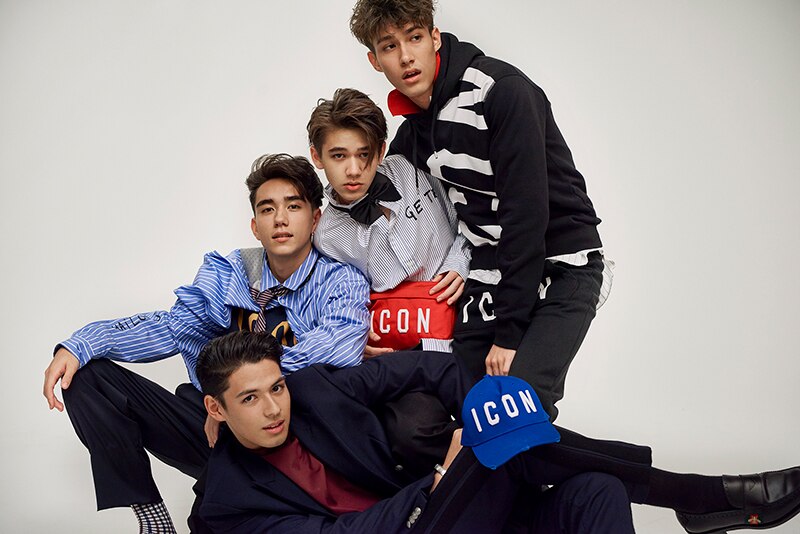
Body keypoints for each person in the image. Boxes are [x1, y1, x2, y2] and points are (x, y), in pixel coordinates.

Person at [42, 154, 370, 533]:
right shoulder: (229, 273)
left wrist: (237, 389)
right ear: (255, 225)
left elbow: (338, 351)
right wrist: (80, 344)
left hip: (292, 441)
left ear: (315, 219)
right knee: (85, 376)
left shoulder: (341, 281)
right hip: (218, 429)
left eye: (293, 206)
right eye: (268, 209)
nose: (280, 219)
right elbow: (172, 327)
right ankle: (151, 514)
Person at [192, 330, 800, 534]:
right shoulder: (226, 503)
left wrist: (475, 411)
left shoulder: (315, 391)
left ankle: (694, 496)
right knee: (496, 439)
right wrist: (437, 478)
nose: (274, 408)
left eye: (276, 387)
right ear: (215, 408)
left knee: (597, 492)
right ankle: (699, 495)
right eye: (249, 399)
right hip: (414, 523)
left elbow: (427, 368)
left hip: (465, 513)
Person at [350, 0, 613, 419]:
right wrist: (352, 328)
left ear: (435, 38)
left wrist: (508, 335)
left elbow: (526, 217)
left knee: (514, 409)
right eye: (389, 46)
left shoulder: (500, 91)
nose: (405, 56)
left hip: (561, 264)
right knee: (461, 415)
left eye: (414, 38)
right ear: (375, 60)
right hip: (488, 275)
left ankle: (698, 486)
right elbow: (369, 215)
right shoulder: (413, 136)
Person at [311, 87, 470, 355]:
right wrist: (354, 337)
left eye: (364, 154)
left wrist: (460, 260)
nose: (353, 170)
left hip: (469, 312)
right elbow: (346, 299)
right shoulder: (326, 237)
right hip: (400, 348)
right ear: (317, 157)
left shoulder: (412, 167)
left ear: (381, 150)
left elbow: (470, 216)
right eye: (339, 156)